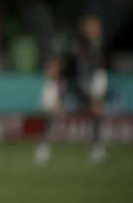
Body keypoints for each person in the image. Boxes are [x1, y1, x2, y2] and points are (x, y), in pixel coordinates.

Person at [35, 15, 108, 165]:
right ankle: (43, 150)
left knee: (97, 114)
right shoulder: (75, 44)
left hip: (82, 86)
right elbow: (61, 63)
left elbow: (95, 68)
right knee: (55, 117)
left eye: (96, 28)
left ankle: (96, 151)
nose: (95, 31)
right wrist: (54, 82)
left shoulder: (96, 47)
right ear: (85, 29)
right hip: (68, 85)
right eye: (91, 27)